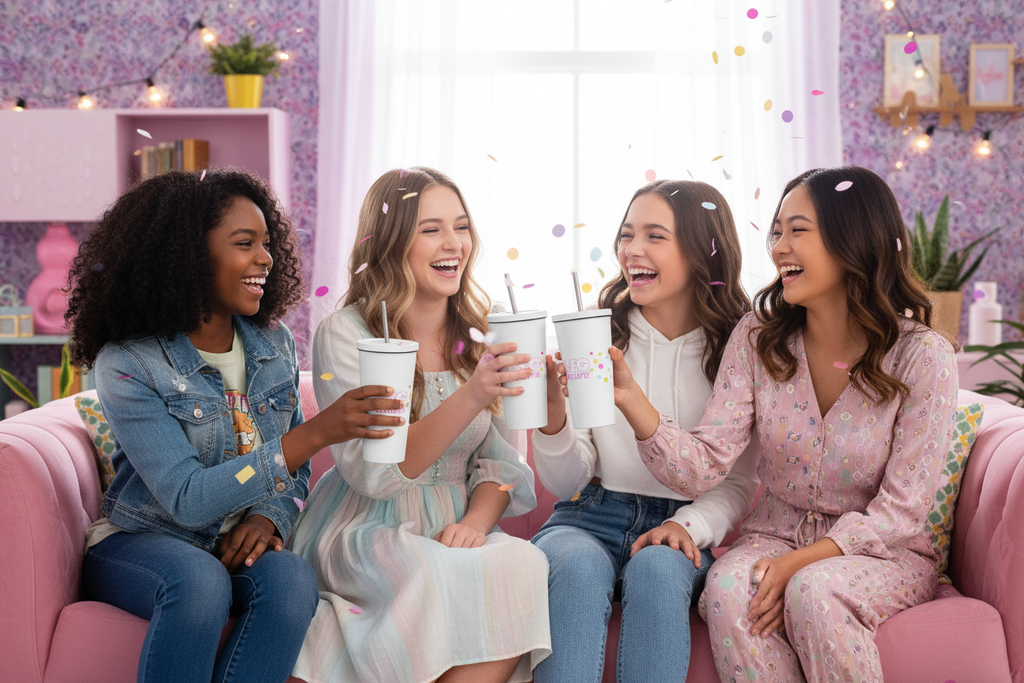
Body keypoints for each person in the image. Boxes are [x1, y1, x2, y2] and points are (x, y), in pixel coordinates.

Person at [67, 169, 405, 683]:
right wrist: (314, 434)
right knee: (200, 580)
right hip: (143, 538)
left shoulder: (275, 345)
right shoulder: (128, 363)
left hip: (232, 539)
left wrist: (267, 520)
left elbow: (293, 477)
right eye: (244, 243)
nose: (265, 259)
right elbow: (186, 498)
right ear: (186, 256)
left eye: (266, 244)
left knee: (292, 579)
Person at [632, 166, 958, 682]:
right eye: (777, 230)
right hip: (774, 535)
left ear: (852, 239)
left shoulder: (923, 357)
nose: (779, 246)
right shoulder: (758, 337)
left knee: (814, 588)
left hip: (880, 552)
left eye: (797, 230)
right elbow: (704, 466)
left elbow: (904, 510)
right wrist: (632, 401)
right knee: (728, 587)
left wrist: (801, 563)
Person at [288, 167, 551, 683]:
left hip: (455, 521)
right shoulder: (345, 334)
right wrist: (474, 392)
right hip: (368, 524)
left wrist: (476, 524)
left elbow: (500, 464)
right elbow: (377, 476)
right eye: (431, 229)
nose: (453, 243)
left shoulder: (486, 328)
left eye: (460, 226)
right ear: (390, 243)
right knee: (431, 573)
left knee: (525, 564)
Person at [531, 180, 761, 683]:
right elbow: (567, 478)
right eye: (627, 235)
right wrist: (553, 422)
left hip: (684, 523)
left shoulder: (738, 353)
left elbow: (739, 482)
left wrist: (688, 529)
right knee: (575, 567)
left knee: (658, 571)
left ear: (704, 252)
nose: (632, 250)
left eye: (655, 236)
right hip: (589, 516)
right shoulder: (598, 336)